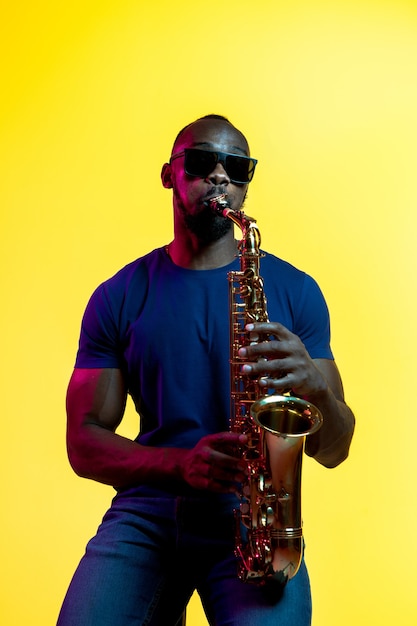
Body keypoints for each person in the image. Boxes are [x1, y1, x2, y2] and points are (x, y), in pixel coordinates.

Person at [57, 114, 355, 626]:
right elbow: (83, 443)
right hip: (147, 513)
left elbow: (337, 448)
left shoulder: (297, 291)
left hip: (255, 519)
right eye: (201, 161)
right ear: (169, 174)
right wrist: (178, 466)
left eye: (237, 167)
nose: (220, 176)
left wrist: (318, 394)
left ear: (245, 184)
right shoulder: (118, 296)